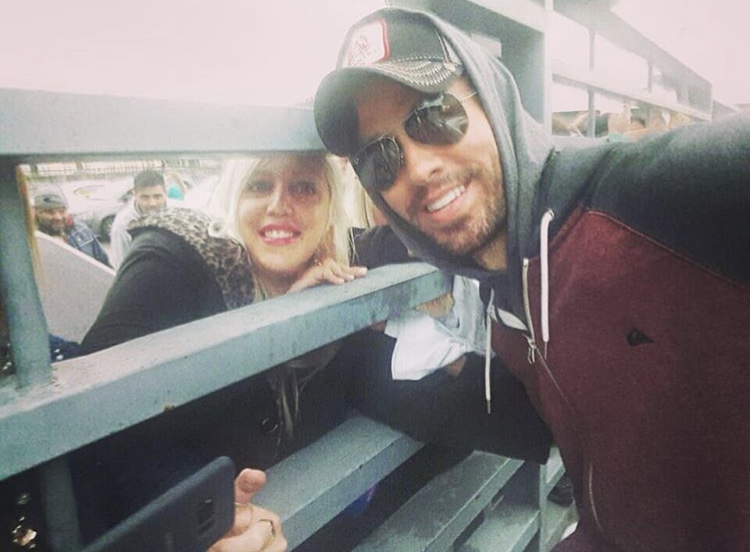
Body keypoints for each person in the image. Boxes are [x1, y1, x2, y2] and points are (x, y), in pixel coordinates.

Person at [314, 7, 750, 551]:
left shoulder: (644, 197)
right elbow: (522, 416)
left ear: (492, 99)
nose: (418, 168)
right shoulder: (508, 293)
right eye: (381, 158)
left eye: (433, 114)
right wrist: (323, 353)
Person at [75, 152, 366, 545]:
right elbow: (92, 423)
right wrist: (208, 509)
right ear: (232, 198)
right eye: (259, 185)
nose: (279, 205)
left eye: (304, 188)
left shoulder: (333, 272)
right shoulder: (176, 260)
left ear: (330, 208)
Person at [32, 183, 111, 267]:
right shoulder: (33, 241)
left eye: (62, 211)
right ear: (36, 213)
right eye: (49, 212)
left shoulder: (82, 230)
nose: (58, 217)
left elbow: (104, 264)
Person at [108, 168, 169, 270]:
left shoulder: (181, 213)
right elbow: (122, 266)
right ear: (135, 194)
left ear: (165, 192)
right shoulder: (122, 224)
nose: (152, 203)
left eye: (157, 196)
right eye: (145, 197)